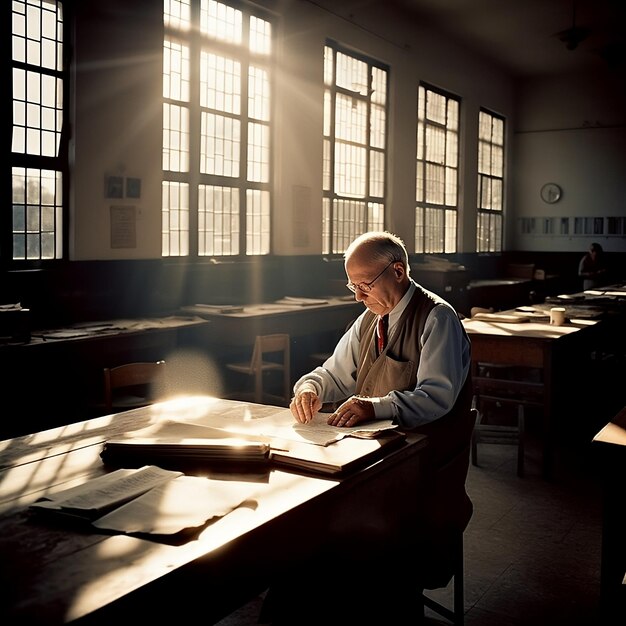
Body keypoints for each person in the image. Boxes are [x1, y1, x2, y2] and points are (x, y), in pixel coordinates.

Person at [260, 231, 473, 624]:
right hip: (377, 459)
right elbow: (334, 374)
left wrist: (373, 406)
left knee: (334, 543)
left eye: (364, 285)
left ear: (398, 271)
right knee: (303, 535)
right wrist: (310, 386)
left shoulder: (437, 317)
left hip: (421, 469)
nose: (357, 296)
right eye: (352, 286)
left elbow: (437, 397)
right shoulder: (369, 319)